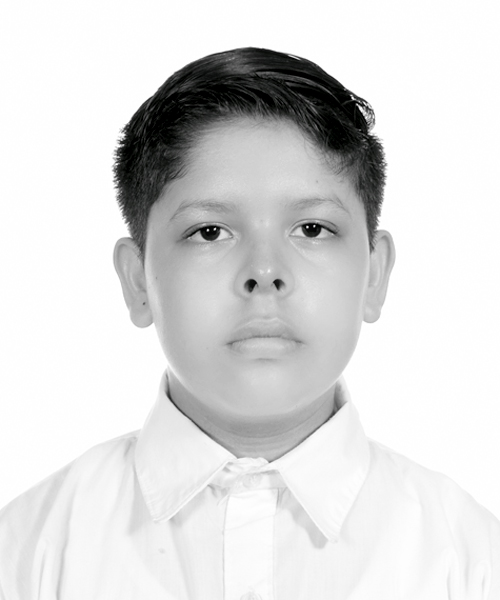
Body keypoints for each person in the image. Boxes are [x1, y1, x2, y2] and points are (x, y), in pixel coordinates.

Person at [0, 47, 498, 600]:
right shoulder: (29, 553)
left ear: (374, 274)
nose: (264, 272)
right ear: (137, 280)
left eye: (312, 229)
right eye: (210, 232)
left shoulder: (469, 561)